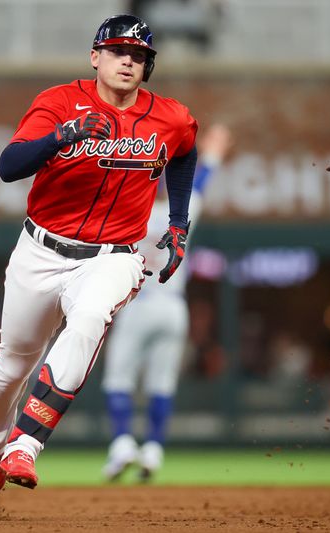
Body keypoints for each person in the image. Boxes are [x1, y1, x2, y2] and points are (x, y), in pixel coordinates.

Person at [0, 14, 199, 493]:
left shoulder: (171, 116)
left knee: (90, 317)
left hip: (113, 255)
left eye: (138, 56)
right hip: (41, 250)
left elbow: (185, 152)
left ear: (147, 67)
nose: (127, 61)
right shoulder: (58, 103)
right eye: (118, 51)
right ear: (95, 56)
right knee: (11, 366)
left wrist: (179, 221)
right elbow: (8, 167)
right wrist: (63, 135)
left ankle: (25, 445)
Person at [100, 123, 231, 482]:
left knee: (118, 379)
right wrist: (215, 152)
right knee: (161, 382)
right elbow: (200, 182)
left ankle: (123, 443)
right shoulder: (182, 214)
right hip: (174, 307)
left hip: (138, 305)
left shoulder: (132, 214)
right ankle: (154, 450)